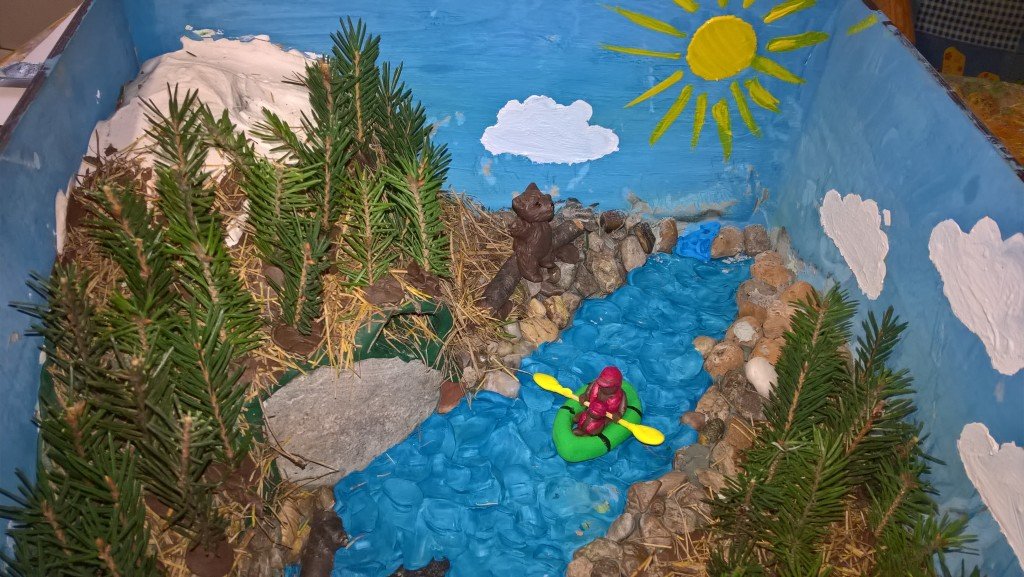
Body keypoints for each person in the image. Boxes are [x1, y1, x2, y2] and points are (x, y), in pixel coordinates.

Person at [574, 366, 625, 436]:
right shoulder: (595, 384)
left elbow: (622, 409)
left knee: (595, 430)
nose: (602, 387)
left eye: (607, 386)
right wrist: (584, 396)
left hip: (605, 417)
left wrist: (619, 414)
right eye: (601, 384)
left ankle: (588, 435)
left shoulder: (621, 395)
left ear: (616, 386)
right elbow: (587, 393)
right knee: (575, 418)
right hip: (590, 410)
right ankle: (583, 428)